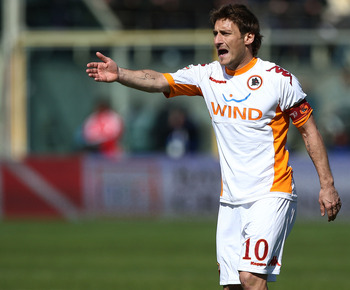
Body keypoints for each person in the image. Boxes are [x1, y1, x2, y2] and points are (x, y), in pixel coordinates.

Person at [86, 4, 341, 289]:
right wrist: (120, 73)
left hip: (271, 194)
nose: (217, 39)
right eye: (215, 33)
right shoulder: (207, 75)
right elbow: (159, 80)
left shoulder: (278, 80)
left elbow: (309, 131)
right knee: (232, 285)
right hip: (230, 200)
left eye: (225, 33)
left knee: (251, 278)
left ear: (248, 37)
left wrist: (327, 184)